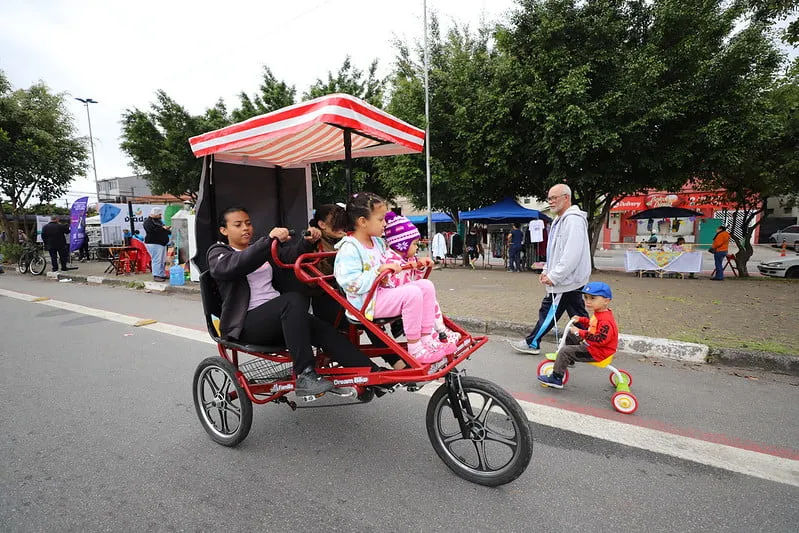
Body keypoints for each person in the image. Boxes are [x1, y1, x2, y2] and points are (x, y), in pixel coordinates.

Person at [207, 206, 378, 397]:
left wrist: (307, 242)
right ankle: (304, 374)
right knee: (292, 300)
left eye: (248, 223)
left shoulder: (262, 250)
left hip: (280, 319)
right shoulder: (218, 253)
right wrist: (269, 241)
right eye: (238, 225)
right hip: (247, 325)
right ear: (224, 230)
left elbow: (289, 256)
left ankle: (373, 375)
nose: (245, 228)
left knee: (324, 330)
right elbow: (237, 265)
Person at [334, 192, 453, 364]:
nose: (385, 224)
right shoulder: (349, 248)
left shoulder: (378, 243)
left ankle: (427, 338)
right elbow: (349, 282)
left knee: (425, 286)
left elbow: (395, 264)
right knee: (412, 293)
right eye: (381, 219)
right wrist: (378, 272)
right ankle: (415, 348)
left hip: (381, 293)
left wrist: (415, 264)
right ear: (362, 221)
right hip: (366, 303)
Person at [509, 183, 590, 355]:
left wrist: (555, 275)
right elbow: (554, 250)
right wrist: (546, 269)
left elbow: (572, 253)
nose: (551, 202)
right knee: (578, 314)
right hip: (569, 279)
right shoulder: (559, 221)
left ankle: (532, 342)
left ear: (566, 198)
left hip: (566, 280)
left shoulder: (573, 220)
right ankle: (592, 342)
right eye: (549, 198)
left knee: (548, 311)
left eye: (554, 198)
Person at [382, 211, 462, 344]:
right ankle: (436, 334)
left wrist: (419, 266)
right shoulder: (390, 259)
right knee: (422, 305)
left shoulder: (407, 258)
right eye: (413, 244)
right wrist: (405, 266)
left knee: (428, 293)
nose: (417, 247)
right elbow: (393, 283)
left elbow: (416, 279)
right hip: (398, 299)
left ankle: (441, 331)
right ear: (401, 244)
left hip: (407, 296)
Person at [537, 282, 619, 389]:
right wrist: (581, 319)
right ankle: (568, 360)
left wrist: (580, 332)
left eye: (593, 298)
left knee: (564, 351)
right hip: (595, 347)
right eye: (586, 297)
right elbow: (593, 324)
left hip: (597, 352)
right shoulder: (601, 313)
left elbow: (600, 339)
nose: (588, 301)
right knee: (571, 337)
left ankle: (556, 378)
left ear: (606, 301)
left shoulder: (605, 321)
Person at [144, 208, 171, 282]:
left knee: (162, 260)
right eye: (159, 214)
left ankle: (162, 274)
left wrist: (166, 229)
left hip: (162, 243)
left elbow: (162, 229)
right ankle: (156, 275)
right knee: (157, 260)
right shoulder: (148, 222)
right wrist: (163, 228)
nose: (160, 216)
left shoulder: (158, 221)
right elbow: (152, 230)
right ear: (155, 214)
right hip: (154, 243)